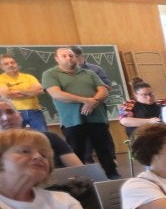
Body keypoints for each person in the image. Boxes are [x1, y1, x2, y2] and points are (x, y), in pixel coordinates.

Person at [40, 46, 118, 178]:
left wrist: (94, 101)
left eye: (71, 55)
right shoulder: (50, 74)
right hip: (72, 120)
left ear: (76, 57)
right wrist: (86, 100)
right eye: (64, 56)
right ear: (56, 59)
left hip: (97, 118)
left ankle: (112, 175)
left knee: (104, 149)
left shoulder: (90, 73)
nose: (69, 58)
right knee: (77, 151)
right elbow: (57, 94)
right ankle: (80, 180)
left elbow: (103, 90)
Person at [0, 99, 80, 168]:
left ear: (20, 116)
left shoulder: (50, 138)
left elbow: (79, 170)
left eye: (10, 112)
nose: (6, 118)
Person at [0, 55, 48, 132]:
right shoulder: (1, 79)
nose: (10, 65)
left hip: (35, 111)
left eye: (13, 62)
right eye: (6, 64)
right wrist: (30, 92)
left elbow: (39, 90)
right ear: (2, 67)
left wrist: (16, 91)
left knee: (44, 136)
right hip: (14, 112)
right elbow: (5, 94)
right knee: (14, 137)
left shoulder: (29, 77)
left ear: (17, 64)